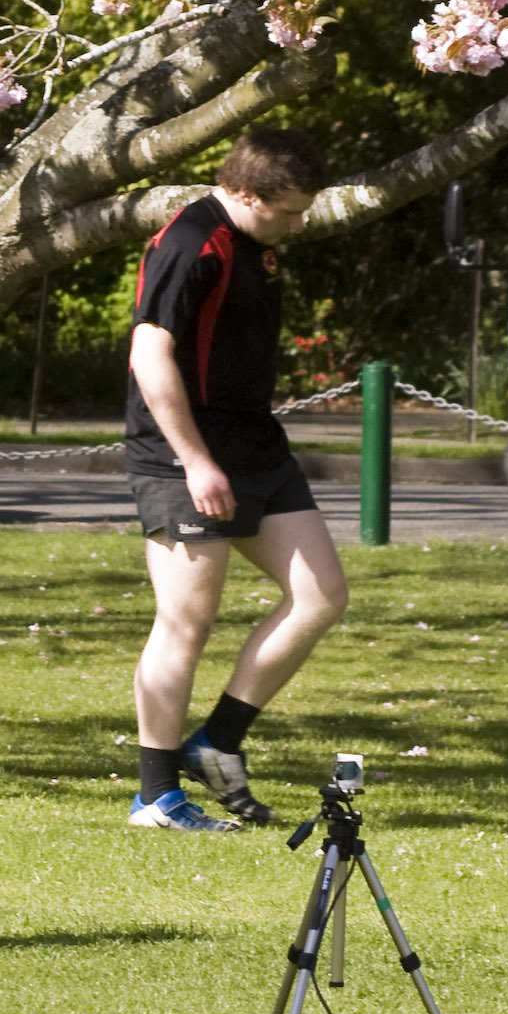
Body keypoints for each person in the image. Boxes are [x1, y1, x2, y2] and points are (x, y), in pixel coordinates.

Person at [124, 127, 349, 831]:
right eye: (287, 210)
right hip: (181, 453)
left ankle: (216, 741)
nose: (298, 222)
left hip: (255, 446)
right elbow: (148, 354)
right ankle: (155, 797)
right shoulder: (192, 243)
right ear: (244, 192)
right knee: (186, 619)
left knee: (321, 596)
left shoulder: (258, 240)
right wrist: (194, 460)